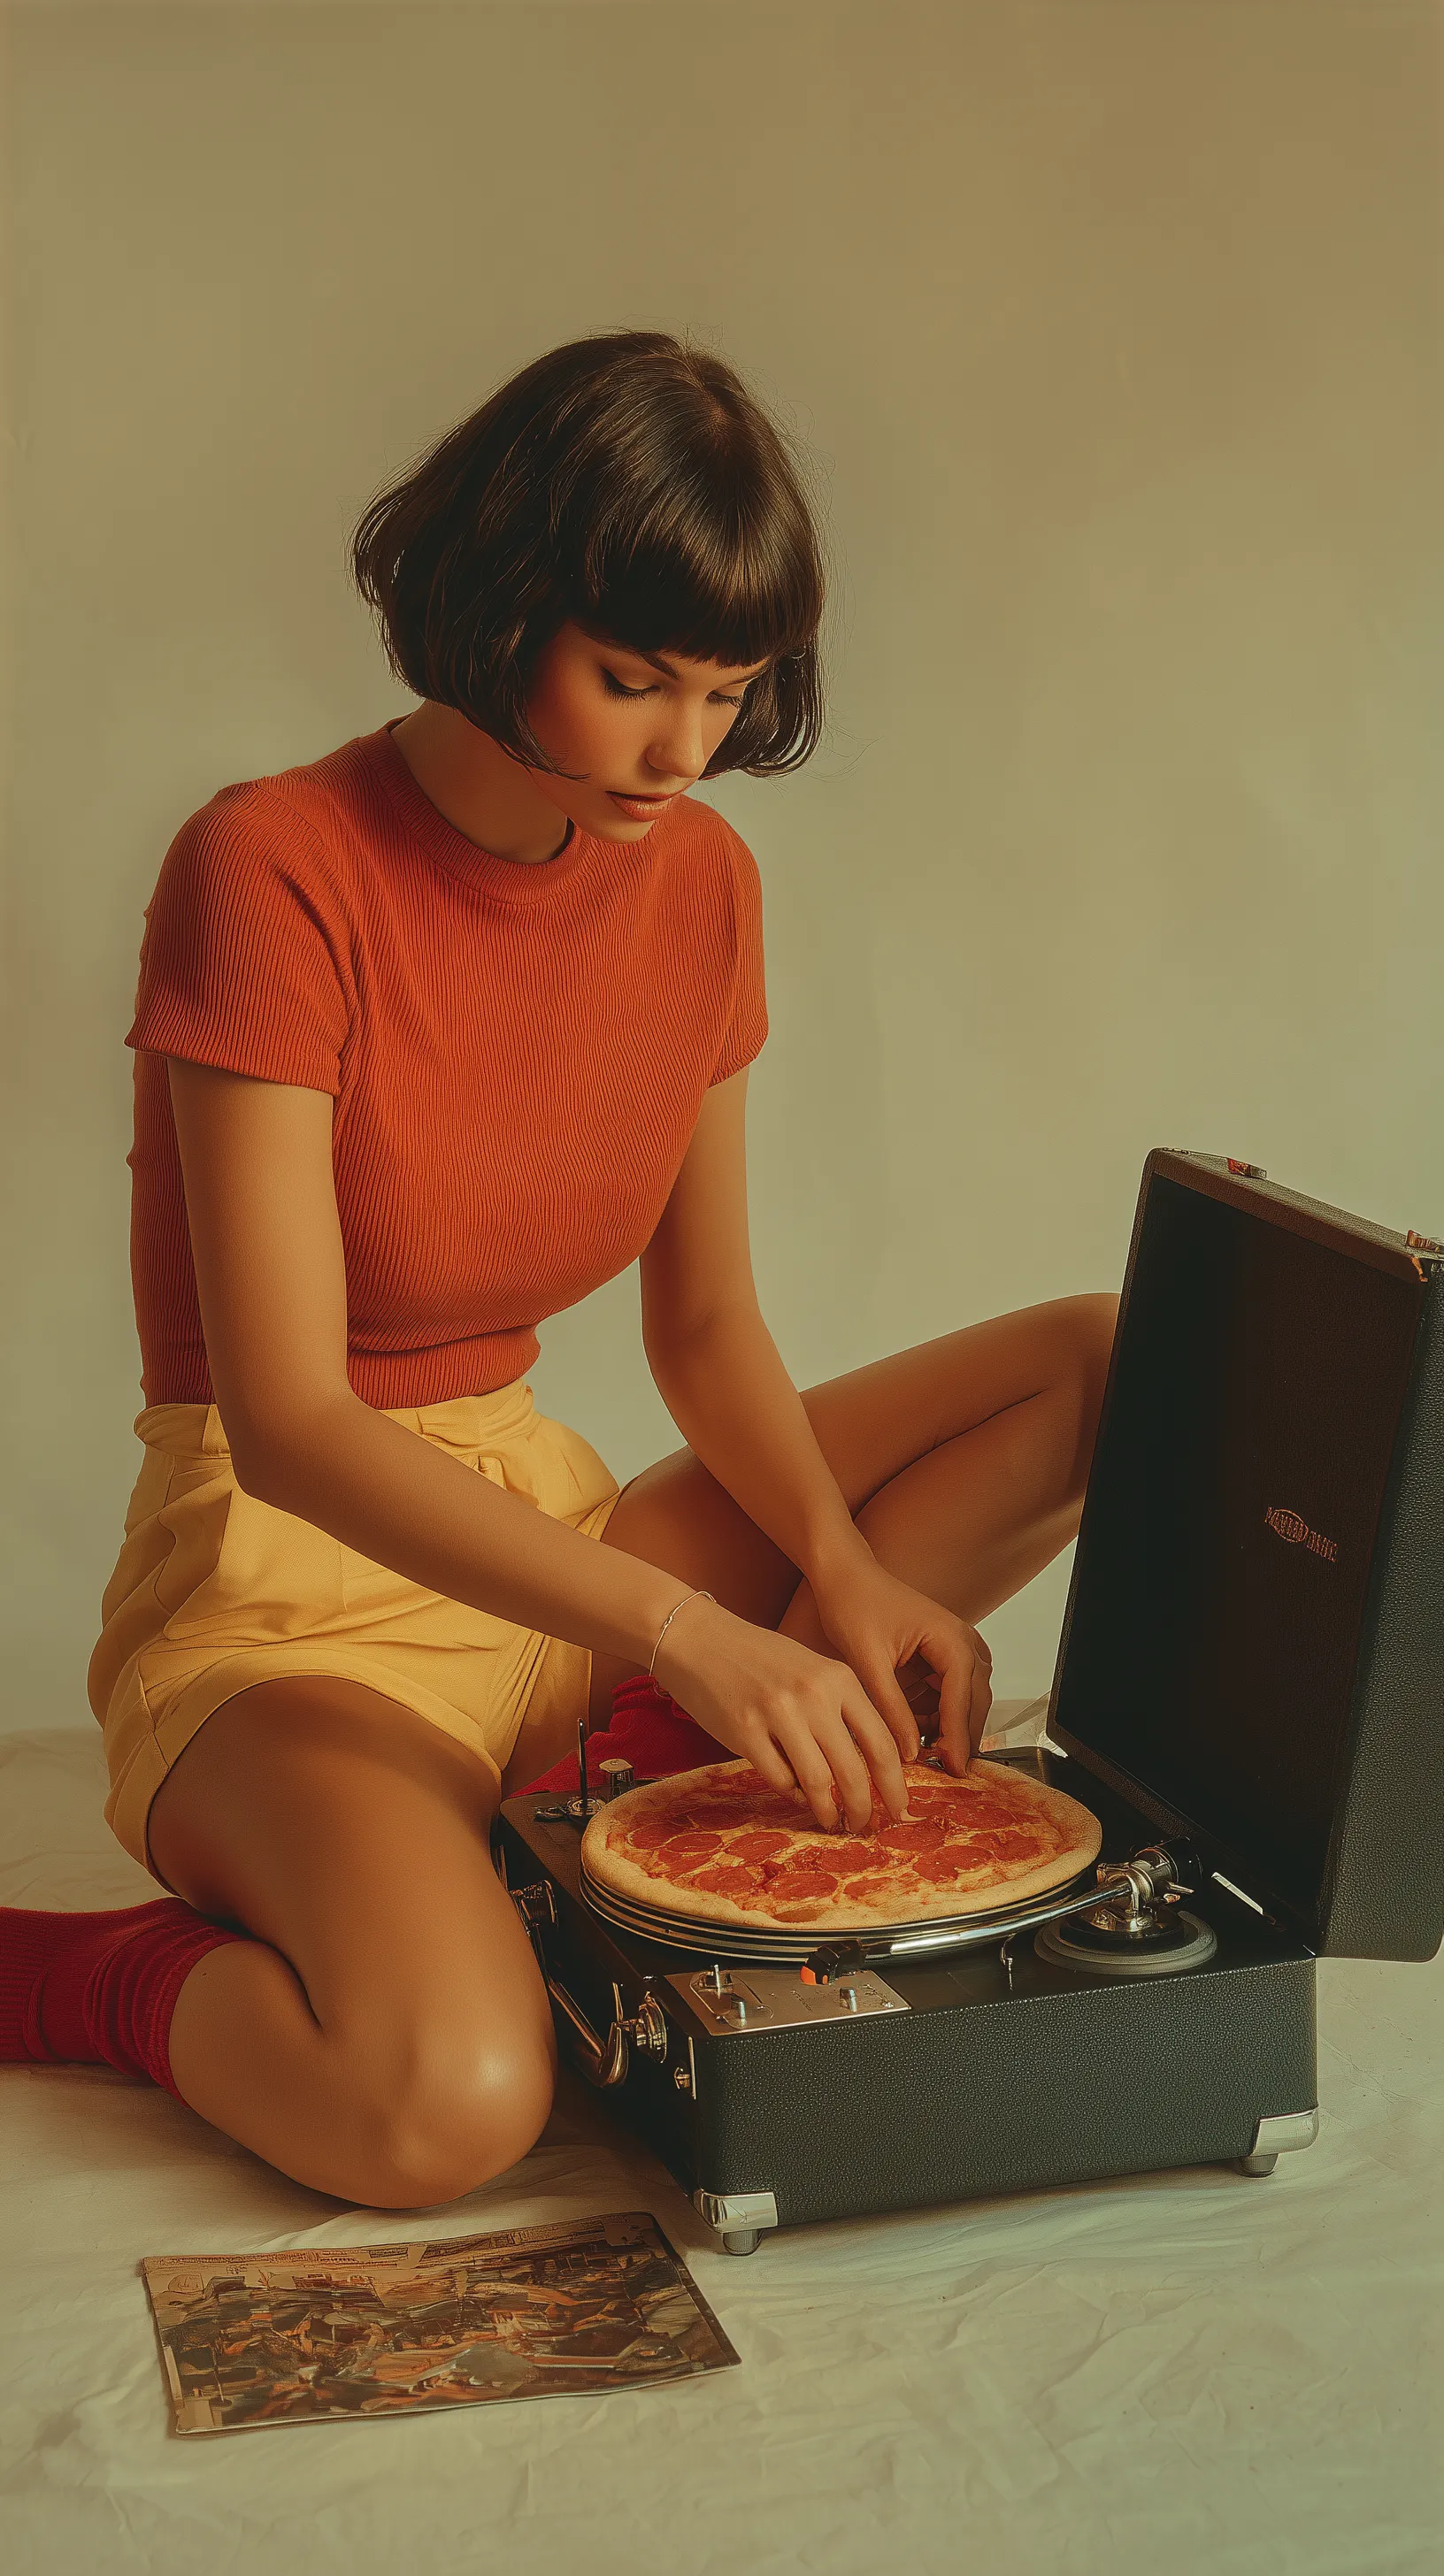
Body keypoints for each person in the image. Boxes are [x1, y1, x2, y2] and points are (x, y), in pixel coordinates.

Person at [0, 330, 1116, 2207]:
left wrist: (835, 1580)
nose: (689, 750)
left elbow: (706, 1325)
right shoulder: (270, 865)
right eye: (634, 682)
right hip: (292, 1602)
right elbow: (284, 1421)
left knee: (1094, 1359)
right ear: (502, 611)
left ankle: (589, 1799)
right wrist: (692, 1634)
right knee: (446, 2109)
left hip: (552, 1565)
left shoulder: (702, 884)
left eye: (732, 693)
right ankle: (71, 1968)